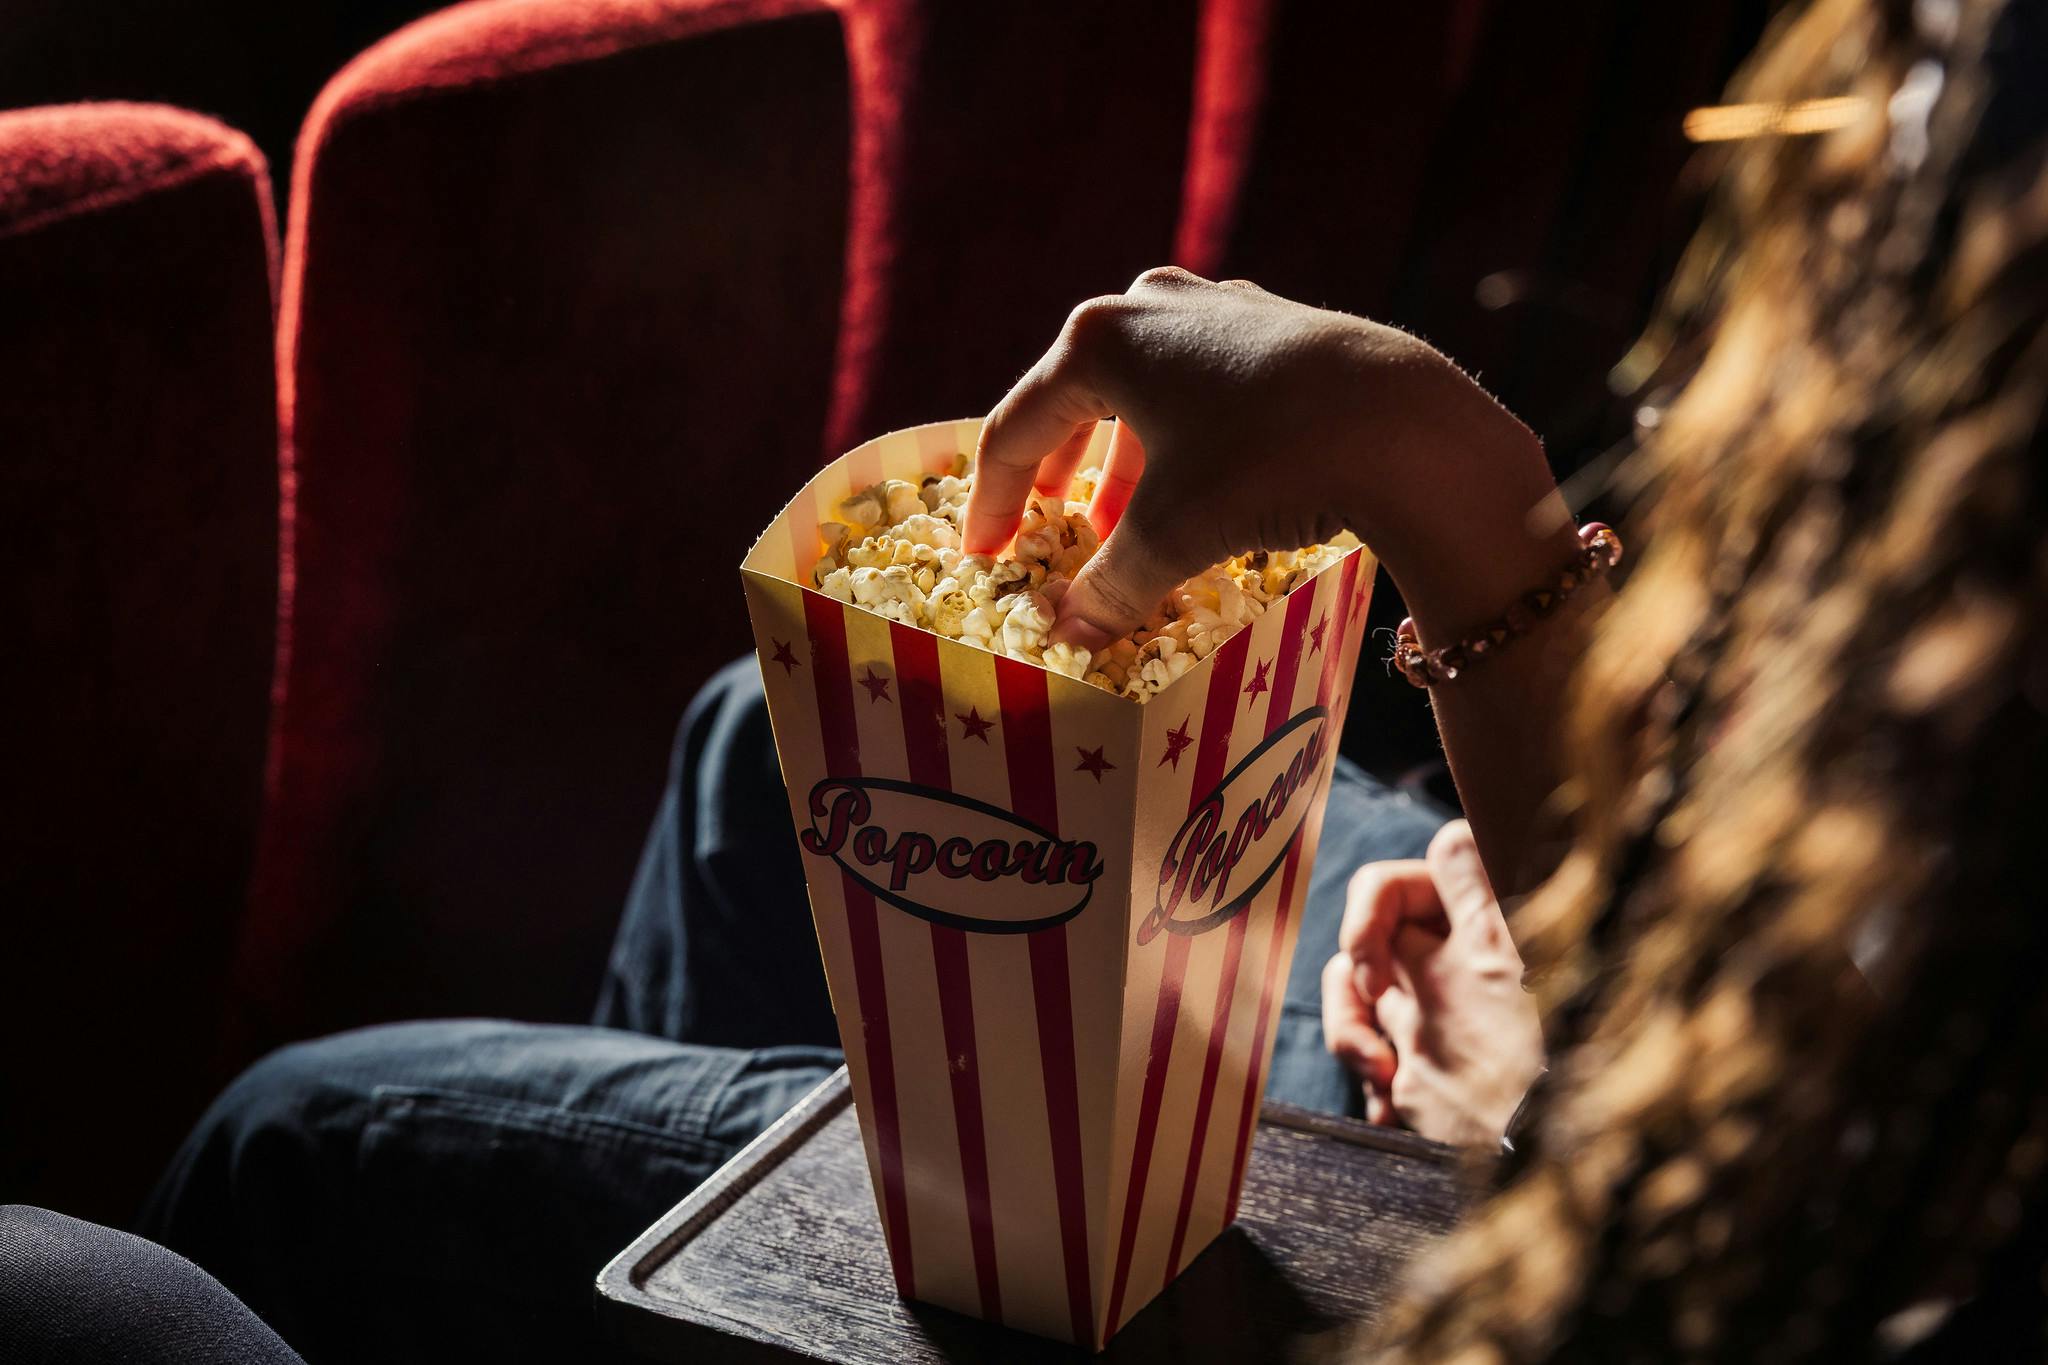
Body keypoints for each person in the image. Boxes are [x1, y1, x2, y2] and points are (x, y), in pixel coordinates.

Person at [8, 0, 2045, 1356]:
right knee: (760, 745)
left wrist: (1543, 1080)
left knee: (304, 1134)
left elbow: (1811, 1249)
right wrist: (1568, 887)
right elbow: (1914, 925)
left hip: (1574, 1227)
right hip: (1724, 1002)